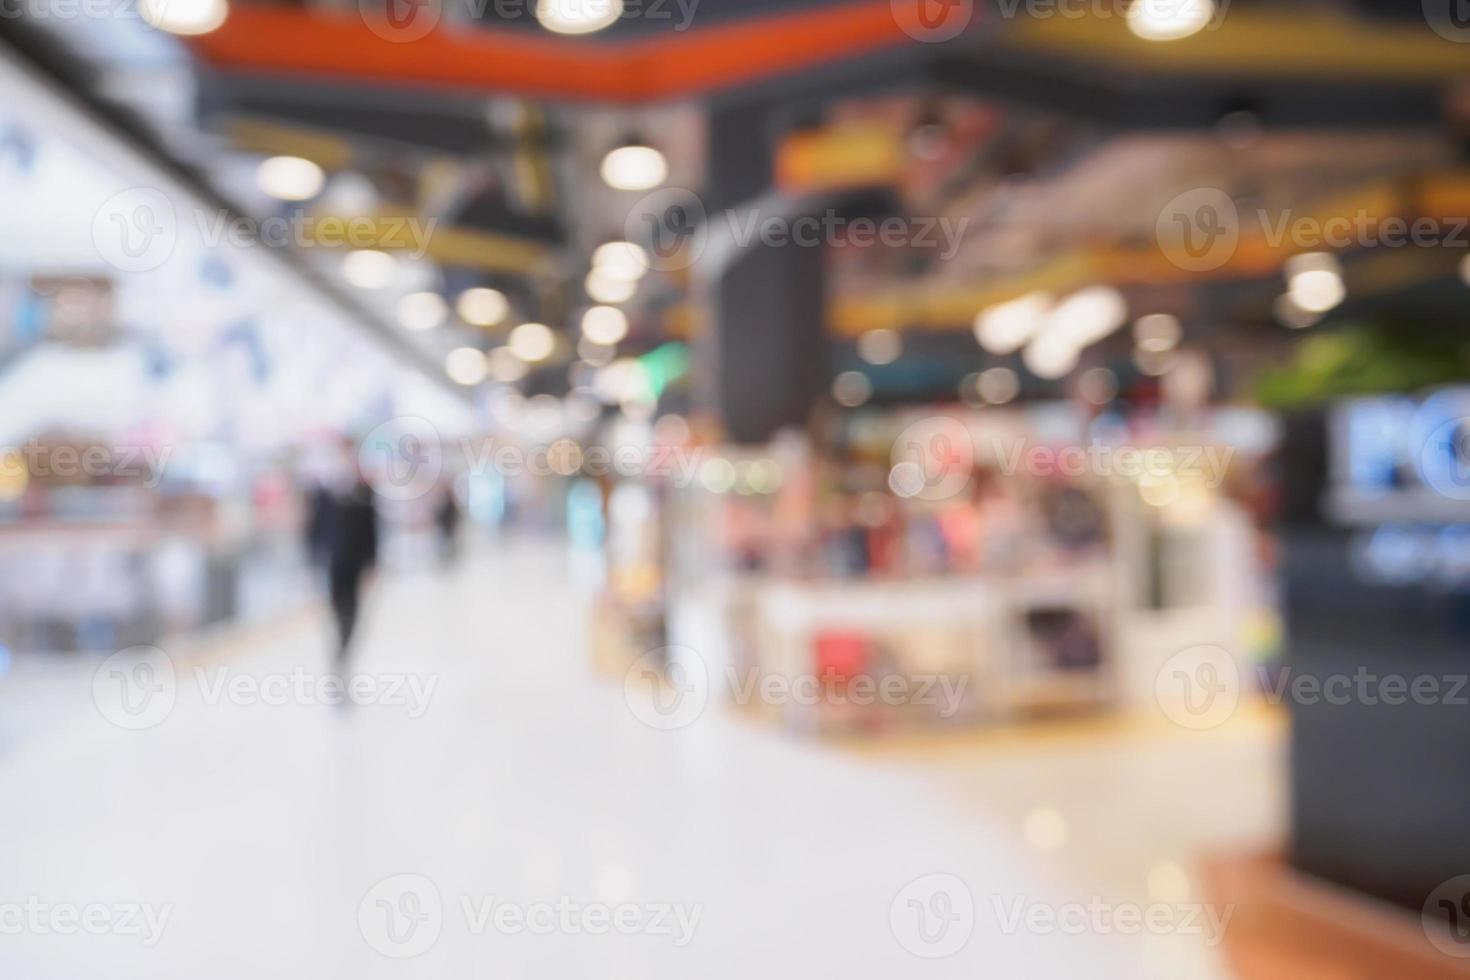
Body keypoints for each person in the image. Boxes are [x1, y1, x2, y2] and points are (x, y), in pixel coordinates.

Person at [305, 444, 380, 671]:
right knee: (338, 609)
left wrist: (373, 562)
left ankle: (343, 653)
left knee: (354, 612)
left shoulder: (365, 492)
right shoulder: (325, 492)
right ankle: (339, 652)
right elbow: (315, 528)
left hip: (356, 563)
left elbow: (372, 529)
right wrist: (313, 559)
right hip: (333, 563)